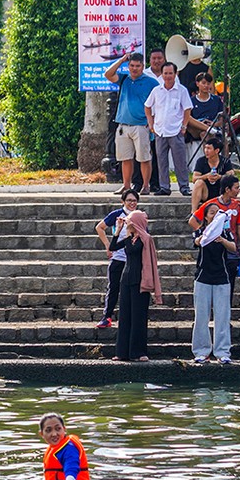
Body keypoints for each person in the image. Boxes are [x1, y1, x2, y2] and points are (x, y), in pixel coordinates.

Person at [190, 189, 237, 364]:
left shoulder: (224, 233)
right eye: (212, 213)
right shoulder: (202, 231)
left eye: (218, 213)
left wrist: (222, 240)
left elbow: (233, 247)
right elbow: (197, 242)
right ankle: (201, 351)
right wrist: (207, 236)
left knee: (222, 315)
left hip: (221, 278)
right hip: (203, 277)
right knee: (201, 315)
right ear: (207, 216)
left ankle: (223, 351)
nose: (215, 215)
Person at [103, 52, 159, 197]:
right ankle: (126, 185)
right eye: (132, 66)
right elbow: (108, 74)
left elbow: (158, 102)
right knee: (125, 158)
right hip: (123, 125)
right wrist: (121, 60)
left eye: (137, 66)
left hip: (141, 125)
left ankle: (146, 186)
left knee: (144, 158)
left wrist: (152, 122)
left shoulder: (151, 82)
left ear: (143, 66)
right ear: (128, 66)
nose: (134, 69)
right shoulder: (124, 79)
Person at [113, 208, 160, 362]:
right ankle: (122, 352)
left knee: (138, 317)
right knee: (125, 316)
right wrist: (118, 231)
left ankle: (138, 352)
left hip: (140, 281)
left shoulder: (144, 239)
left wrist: (126, 235)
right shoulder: (130, 238)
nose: (128, 225)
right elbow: (113, 247)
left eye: (129, 223)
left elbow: (133, 249)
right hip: (126, 279)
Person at [144, 60, 190, 197]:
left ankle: (184, 186)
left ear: (175, 74)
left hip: (176, 130)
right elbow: (147, 106)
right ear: (162, 75)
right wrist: (151, 123)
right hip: (160, 131)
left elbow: (187, 109)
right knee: (161, 161)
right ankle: (164, 186)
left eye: (170, 73)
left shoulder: (182, 90)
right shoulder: (156, 90)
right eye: (165, 73)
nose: (168, 76)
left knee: (180, 161)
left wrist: (184, 125)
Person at [94, 189, 138, 329]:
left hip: (133, 258)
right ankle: (107, 316)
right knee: (113, 287)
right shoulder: (117, 215)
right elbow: (100, 227)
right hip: (118, 257)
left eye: (134, 201)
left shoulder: (138, 216)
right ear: (123, 202)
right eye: (129, 200)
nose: (132, 203)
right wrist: (107, 245)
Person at [38, 412, 91, 480]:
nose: (54, 434)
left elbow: (71, 478)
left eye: (58, 429)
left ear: (64, 429)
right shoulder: (54, 449)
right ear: (41, 434)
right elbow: (55, 477)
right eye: (48, 430)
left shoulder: (69, 449)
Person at [189, 135, 234, 212]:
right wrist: (206, 176)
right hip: (206, 192)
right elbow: (194, 179)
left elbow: (232, 176)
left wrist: (220, 177)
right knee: (198, 182)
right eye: (205, 148)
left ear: (216, 151)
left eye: (209, 148)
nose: (206, 151)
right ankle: (193, 213)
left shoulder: (225, 162)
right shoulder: (201, 161)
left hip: (221, 192)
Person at [183, 72, 225, 142]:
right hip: (197, 128)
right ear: (197, 84)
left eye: (208, 84)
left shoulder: (216, 99)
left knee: (222, 138)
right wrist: (201, 124)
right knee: (204, 134)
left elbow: (222, 117)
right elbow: (188, 118)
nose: (206, 86)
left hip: (214, 126)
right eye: (203, 83)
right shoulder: (191, 101)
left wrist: (214, 124)